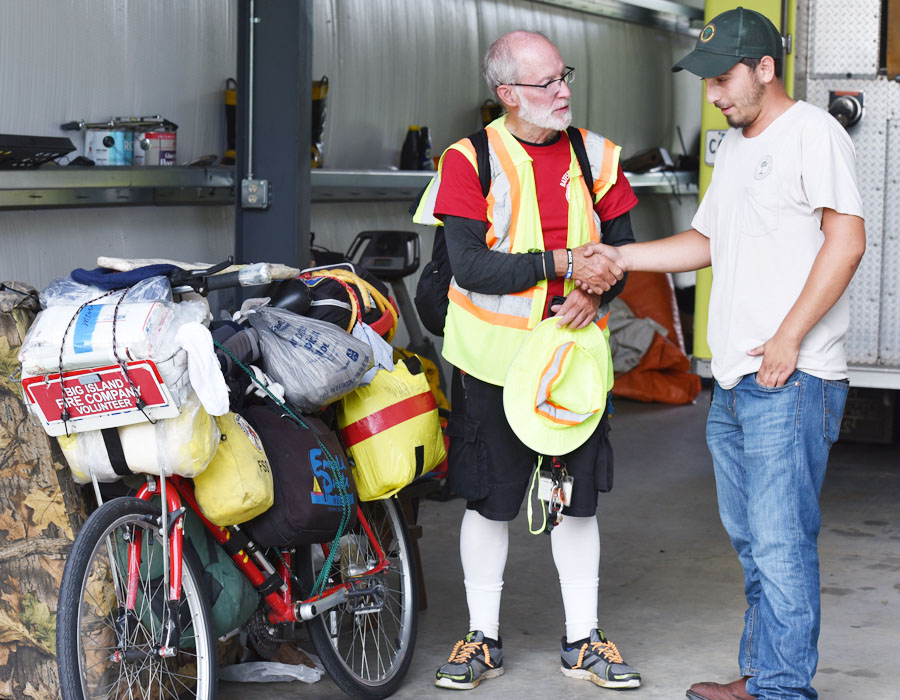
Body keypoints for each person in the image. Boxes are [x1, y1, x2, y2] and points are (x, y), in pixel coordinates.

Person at [582, 8, 866, 700]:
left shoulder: (814, 135)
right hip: (738, 379)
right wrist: (620, 255)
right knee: (754, 547)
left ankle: (783, 692)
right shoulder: (736, 147)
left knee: (781, 546)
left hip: (790, 378)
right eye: (706, 80)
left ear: (766, 69)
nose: (713, 94)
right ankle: (764, 676)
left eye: (723, 78)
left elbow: (847, 240)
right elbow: (707, 243)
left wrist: (791, 336)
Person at [414, 29, 641, 692]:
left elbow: (623, 256)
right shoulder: (467, 160)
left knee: (577, 503)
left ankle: (583, 641)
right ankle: (481, 638)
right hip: (492, 364)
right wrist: (567, 264)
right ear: (508, 94)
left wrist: (596, 289)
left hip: (573, 364)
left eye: (563, 76)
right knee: (489, 501)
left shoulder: (597, 156)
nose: (563, 90)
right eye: (546, 83)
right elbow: (471, 265)